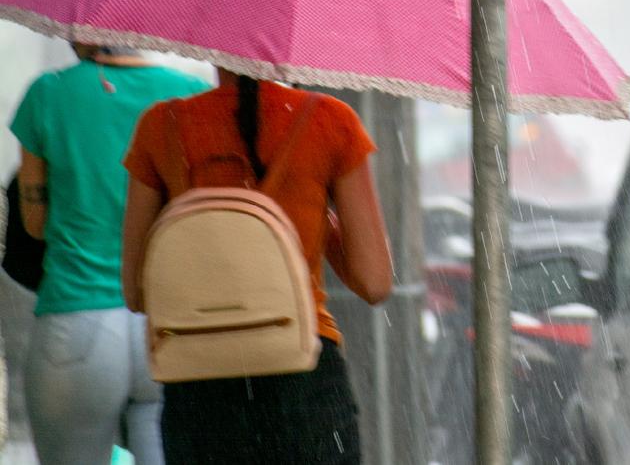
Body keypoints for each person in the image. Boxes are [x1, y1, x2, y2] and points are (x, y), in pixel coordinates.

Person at [121, 70, 392, 464]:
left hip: (199, 386)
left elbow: (136, 292)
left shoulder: (160, 125)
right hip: (304, 380)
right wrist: (320, 221)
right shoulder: (330, 120)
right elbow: (375, 282)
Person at [9, 43, 210, 465]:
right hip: (168, 323)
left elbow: (35, 225)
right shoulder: (191, 95)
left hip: (77, 321)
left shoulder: (49, 93)